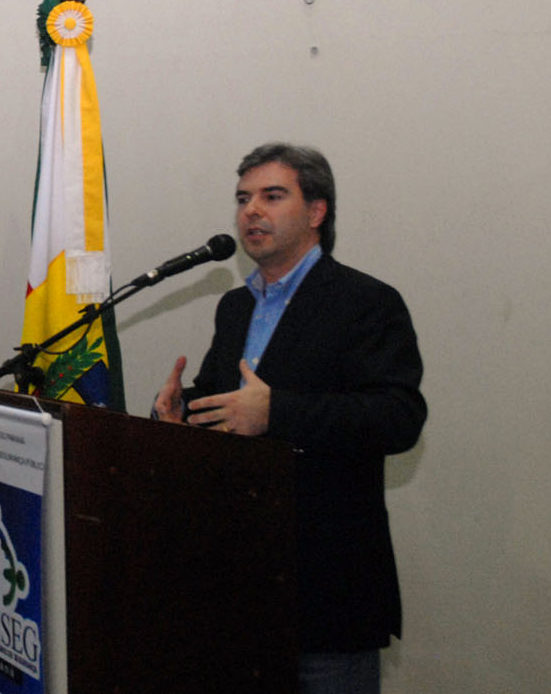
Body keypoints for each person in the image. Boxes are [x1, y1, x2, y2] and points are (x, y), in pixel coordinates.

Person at [153, 142, 426, 694]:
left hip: (326, 591)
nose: (251, 211)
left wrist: (278, 412)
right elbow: (227, 403)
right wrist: (183, 412)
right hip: (235, 584)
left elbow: (398, 416)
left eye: (272, 196)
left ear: (317, 211)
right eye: (243, 199)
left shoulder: (365, 301)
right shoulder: (235, 307)